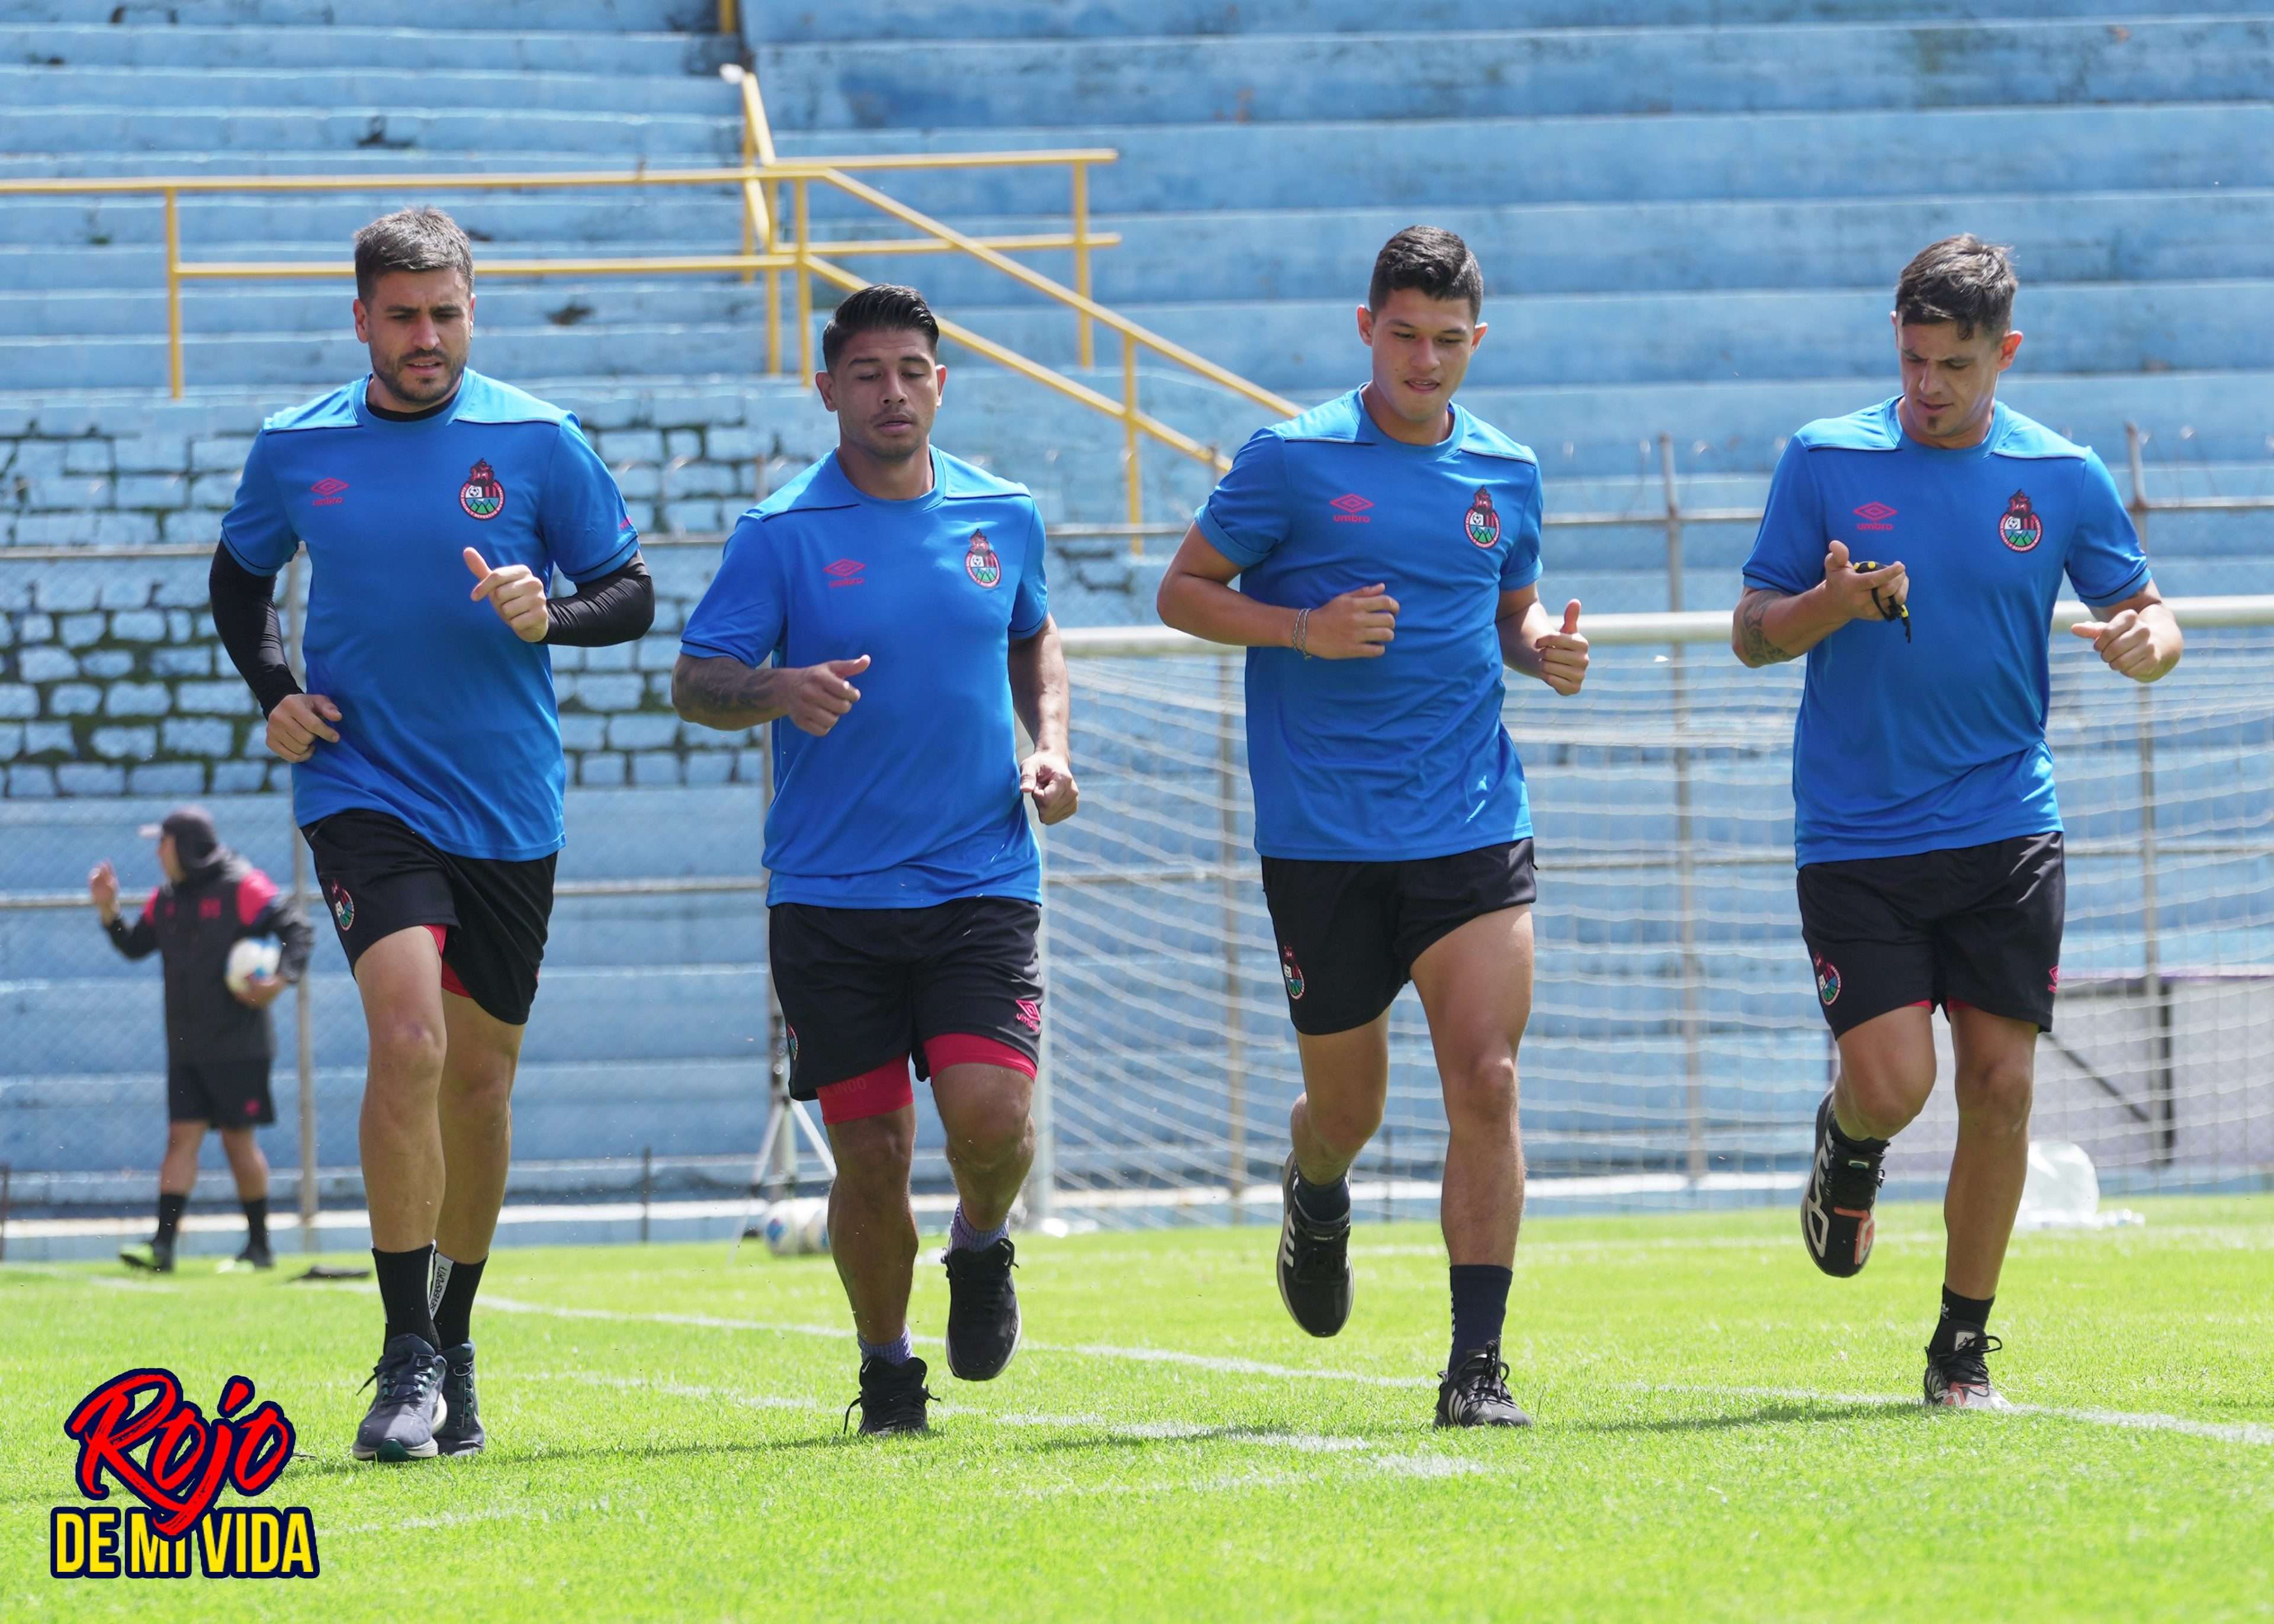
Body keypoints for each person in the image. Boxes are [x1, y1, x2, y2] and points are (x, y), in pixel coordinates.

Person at [209, 207, 654, 1462]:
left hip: (509, 804)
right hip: (363, 788)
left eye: (446, 313)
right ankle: (404, 1353)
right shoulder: (298, 448)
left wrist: (548, 612)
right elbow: (240, 579)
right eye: (401, 316)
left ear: (473, 310)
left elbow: (631, 593)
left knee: (480, 1080)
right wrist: (277, 692)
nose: (426, 337)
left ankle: (454, 1341)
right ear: (360, 320)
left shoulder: (537, 440)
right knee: (408, 1037)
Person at [1731, 234, 2182, 1410]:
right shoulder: (1825, 459)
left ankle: (1962, 1347)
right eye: (1915, 357)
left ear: (2007, 354)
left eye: (1958, 364)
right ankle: (1849, 1142)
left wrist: (2150, 644)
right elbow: (1750, 628)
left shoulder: (2064, 476)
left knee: (2004, 1086)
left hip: (2005, 822)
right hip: (1857, 832)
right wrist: (1824, 605)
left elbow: (2145, 612)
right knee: (1892, 1082)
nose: (1930, 385)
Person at [1155, 227, 1589, 1427]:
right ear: (1366, 330)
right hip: (1324, 837)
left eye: (1450, 341)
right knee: (1349, 1109)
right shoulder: (1291, 460)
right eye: (1405, 335)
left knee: (1489, 1079)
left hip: (1470, 822)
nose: (1427, 360)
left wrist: (1543, 642)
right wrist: (1302, 630)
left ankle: (1478, 1367)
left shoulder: (1507, 470)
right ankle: (1319, 1183)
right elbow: (1180, 591)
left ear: (1477, 342)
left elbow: (1509, 612)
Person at [675, 284, 1078, 1437]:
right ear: (828, 390)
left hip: (980, 883)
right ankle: (887, 1367)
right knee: (870, 1151)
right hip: (832, 901)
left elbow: (1034, 635)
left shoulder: (1003, 515)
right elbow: (695, 680)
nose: (892, 392)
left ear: (940, 383)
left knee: (992, 1122)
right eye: (867, 373)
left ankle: (983, 1243)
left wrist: (1048, 749)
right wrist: (773, 688)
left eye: (912, 369)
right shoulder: (782, 535)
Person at [92, 805, 312, 1274]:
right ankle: (163, 1247)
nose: (157, 852)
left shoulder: (242, 885)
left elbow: (297, 929)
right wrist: (110, 913)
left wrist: (281, 977)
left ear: (186, 846)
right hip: (187, 1046)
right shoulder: (166, 898)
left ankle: (260, 1246)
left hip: (240, 1045)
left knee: (238, 1141)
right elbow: (134, 945)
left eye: (163, 842)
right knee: (181, 1138)